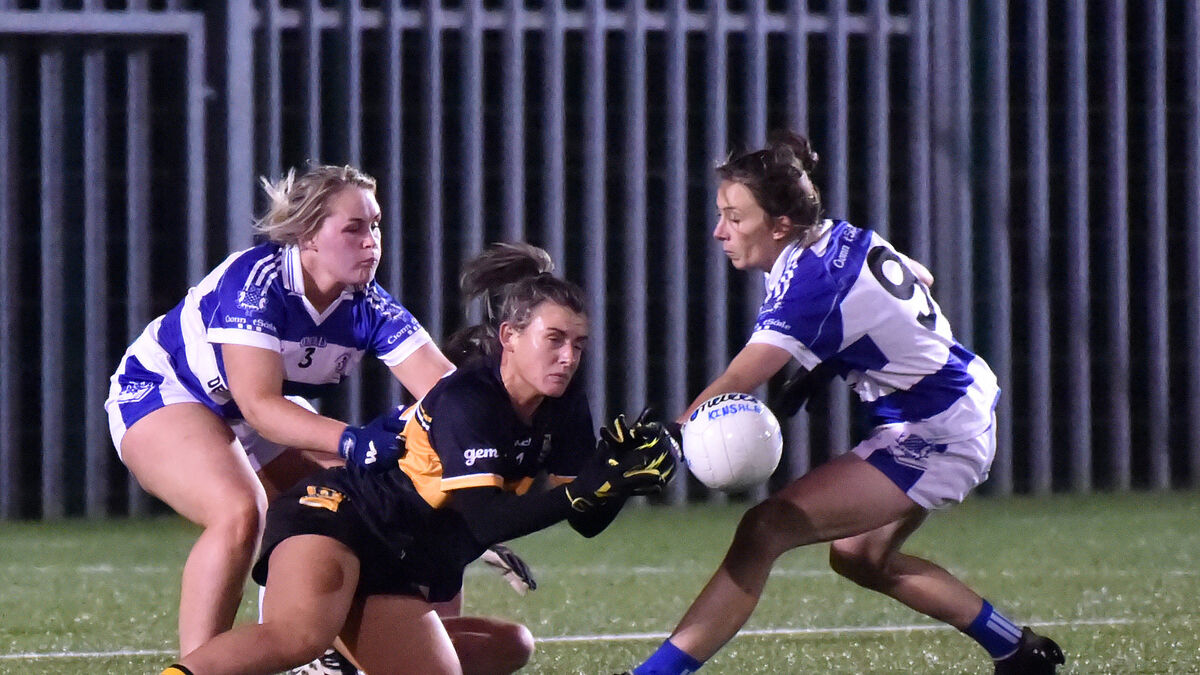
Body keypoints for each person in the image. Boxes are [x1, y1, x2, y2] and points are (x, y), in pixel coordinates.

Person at [624, 132, 1065, 675]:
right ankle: (1018, 652)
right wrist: (839, 355)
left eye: (735, 218)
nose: (720, 231)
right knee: (860, 557)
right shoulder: (835, 235)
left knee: (764, 530)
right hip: (949, 401)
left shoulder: (810, 285)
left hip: (937, 427)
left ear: (780, 224)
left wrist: (672, 434)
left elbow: (742, 377)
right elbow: (920, 277)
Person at [159, 245, 677, 675]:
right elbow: (489, 518)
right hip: (340, 520)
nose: (568, 357)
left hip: (398, 561)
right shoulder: (470, 400)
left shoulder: (563, 403)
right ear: (510, 337)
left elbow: (584, 519)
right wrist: (592, 484)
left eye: (579, 345)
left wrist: (619, 480)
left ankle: (336, 662)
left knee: (506, 647)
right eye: (555, 340)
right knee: (297, 635)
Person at [104, 163, 455, 660]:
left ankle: (322, 656)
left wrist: (476, 493)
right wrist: (351, 439)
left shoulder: (369, 304)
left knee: (349, 510)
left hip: (252, 408)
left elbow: (448, 396)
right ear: (308, 235)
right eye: (353, 228)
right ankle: (203, 667)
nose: (371, 241)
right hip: (166, 390)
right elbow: (260, 406)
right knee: (239, 510)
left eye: (375, 225)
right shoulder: (257, 281)